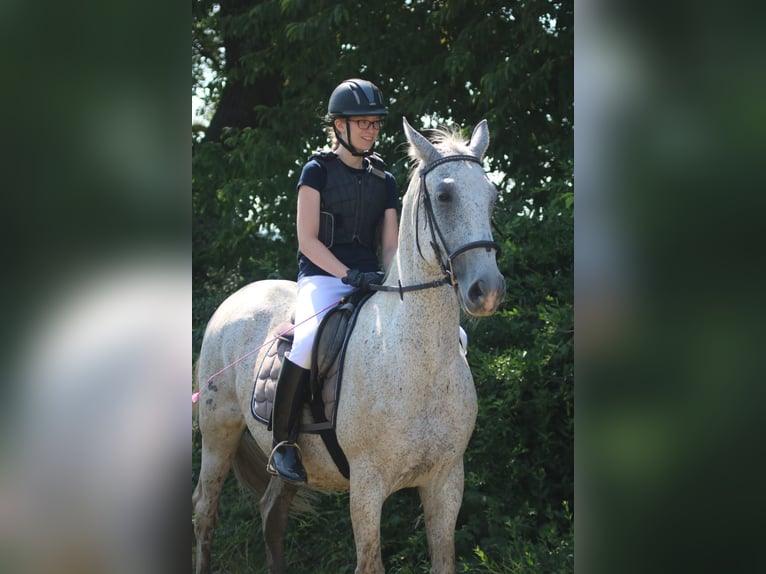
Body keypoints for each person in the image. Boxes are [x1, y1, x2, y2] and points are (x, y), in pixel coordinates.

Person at [267, 79, 399, 484]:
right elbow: (306, 239)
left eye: (375, 123)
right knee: (306, 339)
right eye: (362, 122)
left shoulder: (386, 180)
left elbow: (391, 246)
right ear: (339, 126)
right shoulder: (317, 170)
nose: (370, 129)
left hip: (371, 279)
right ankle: (283, 444)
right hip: (323, 277)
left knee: (450, 334)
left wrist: (391, 280)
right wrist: (346, 274)